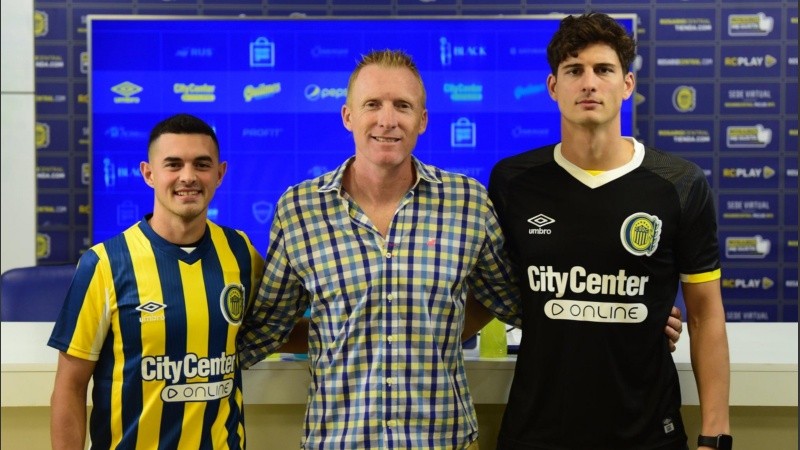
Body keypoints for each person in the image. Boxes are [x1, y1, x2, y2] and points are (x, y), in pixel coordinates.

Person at [237, 49, 683, 449]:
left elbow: (528, 302)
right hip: (339, 439)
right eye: (372, 104)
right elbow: (266, 328)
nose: (387, 120)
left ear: (423, 120)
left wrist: (629, 315)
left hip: (444, 438)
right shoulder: (300, 209)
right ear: (348, 116)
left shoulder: (466, 202)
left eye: (403, 106)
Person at [485, 12, 731, 449]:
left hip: (646, 433)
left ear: (627, 84)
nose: (589, 83)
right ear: (553, 86)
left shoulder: (680, 183)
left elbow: (705, 314)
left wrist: (715, 435)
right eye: (574, 70)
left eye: (603, 69)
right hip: (537, 432)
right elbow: (487, 292)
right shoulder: (512, 182)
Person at [48, 113, 264, 449]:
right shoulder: (105, 263)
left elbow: (275, 327)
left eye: (202, 164)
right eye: (173, 164)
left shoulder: (241, 252)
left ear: (220, 174)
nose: (188, 177)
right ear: (149, 174)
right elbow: (69, 387)